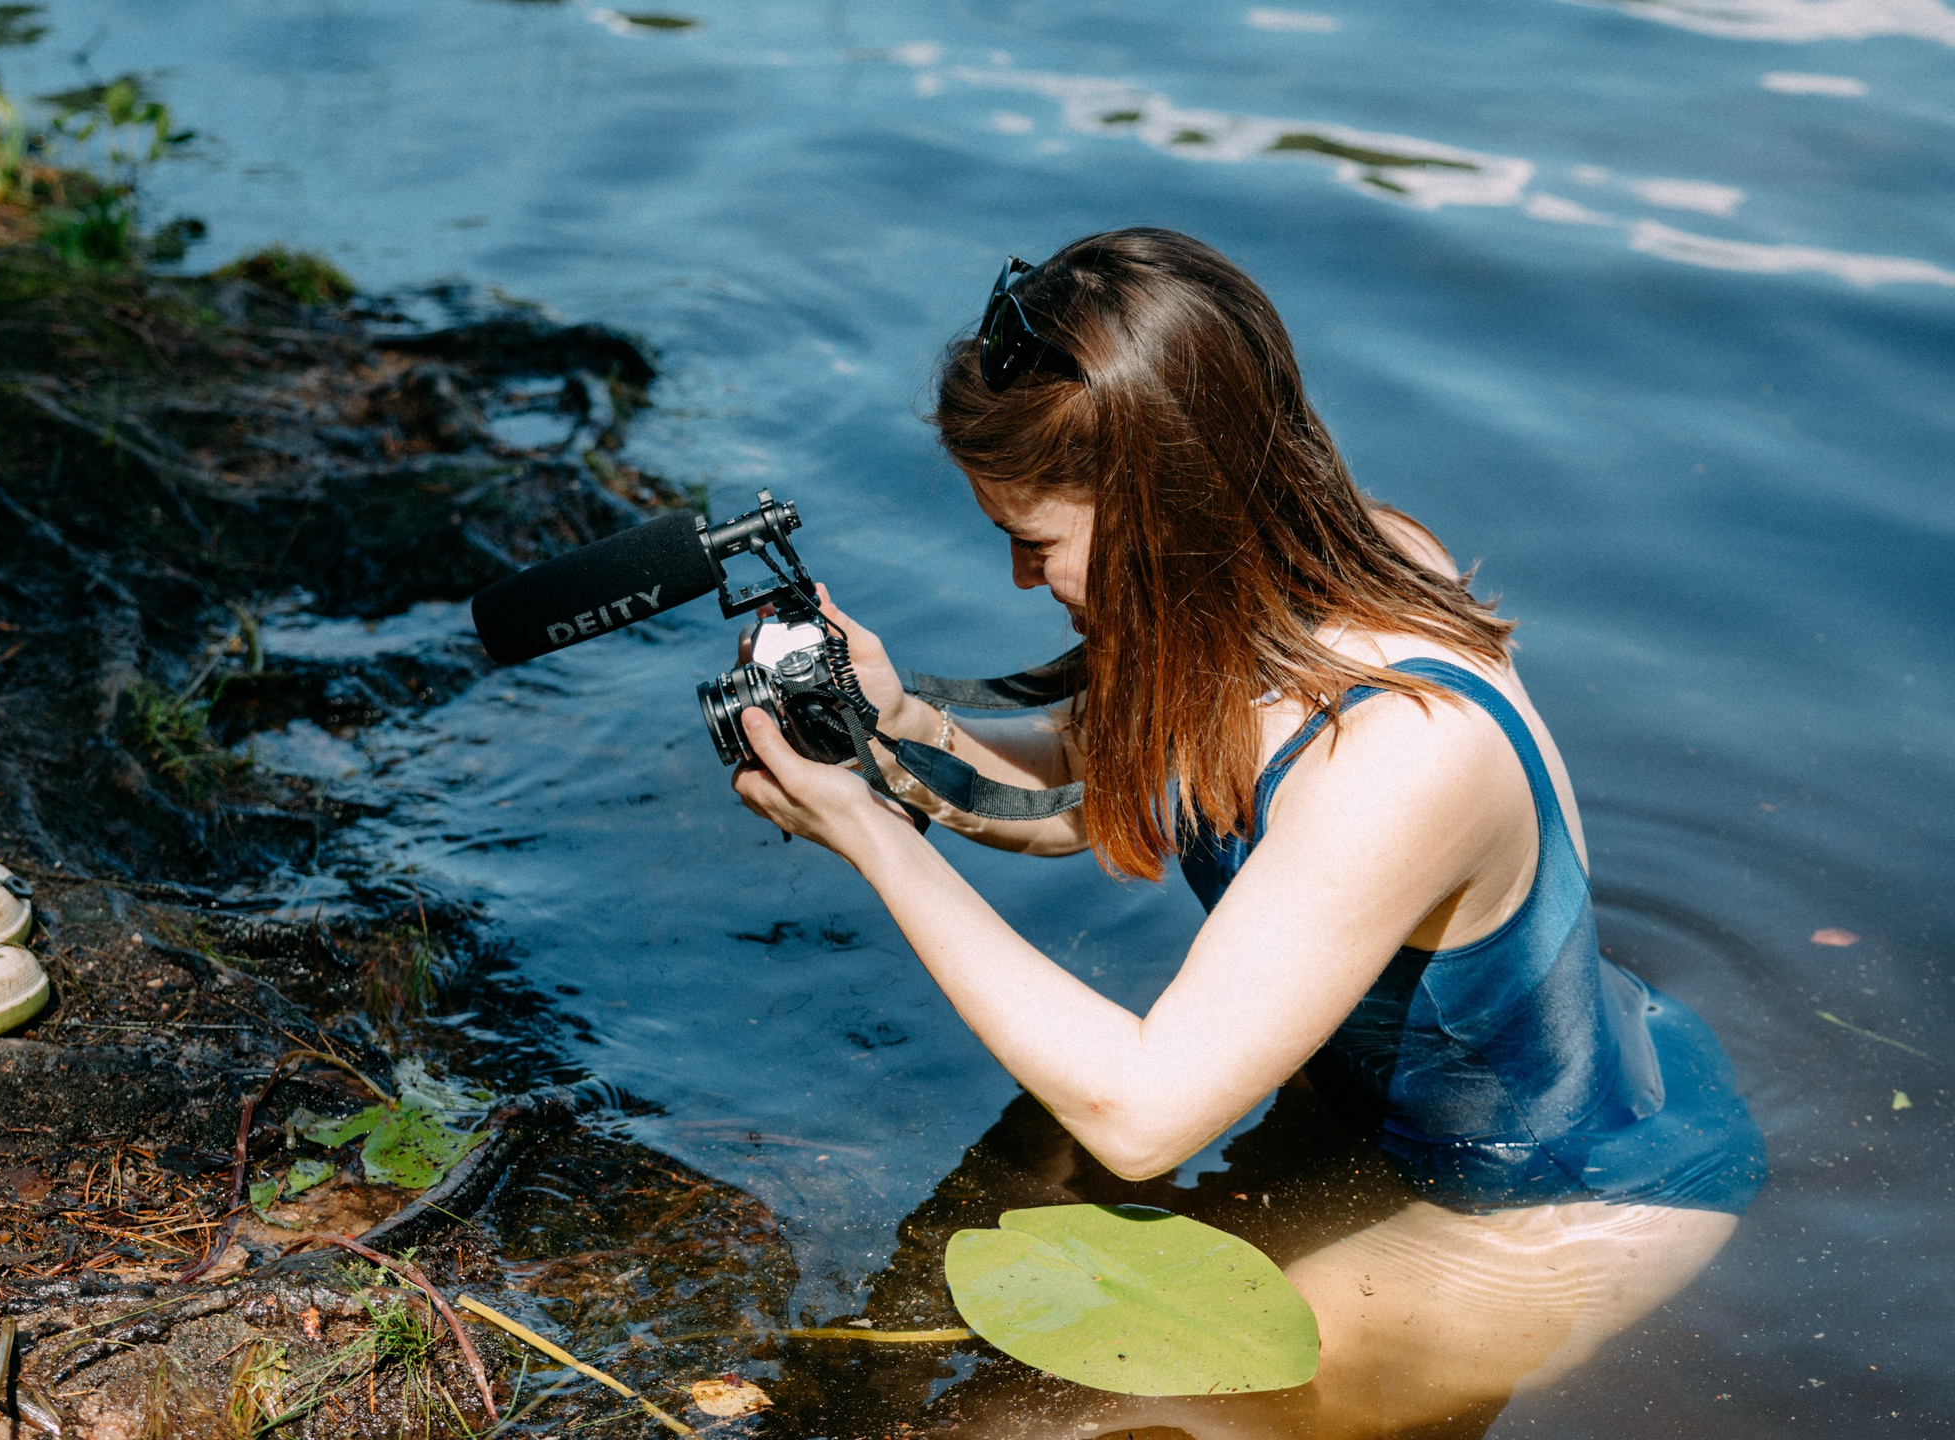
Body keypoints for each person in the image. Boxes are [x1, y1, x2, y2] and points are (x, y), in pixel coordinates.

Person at [729, 229, 1766, 1436]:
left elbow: (1146, 1114)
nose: (1021, 582)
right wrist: (893, 728)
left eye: (1034, 545)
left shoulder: (1402, 753)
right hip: (1438, 1101)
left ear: (1165, 507)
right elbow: (1082, 783)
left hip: (1558, 1204)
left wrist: (873, 838)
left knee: (1095, 1419)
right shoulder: (1303, 566)